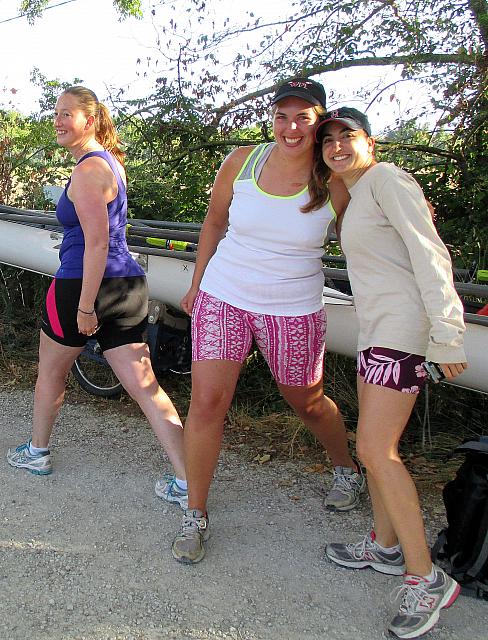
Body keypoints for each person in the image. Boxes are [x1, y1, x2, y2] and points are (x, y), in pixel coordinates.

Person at [171, 78, 365, 565]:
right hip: (225, 295)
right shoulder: (242, 161)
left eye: (303, 117)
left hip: (293, 307)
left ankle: (347, 468)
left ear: (320, 121)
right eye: (282, 115)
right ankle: (195, 513)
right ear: (271, 118)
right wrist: (197, 283)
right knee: (207, 402)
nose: (291, 127)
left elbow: (363, 239)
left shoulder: (333, 179)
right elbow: (214, 222)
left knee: (308, 402)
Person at [315, 107, 467, 639]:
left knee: (378, 451)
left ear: (370, 141)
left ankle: (426, 578)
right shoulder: (357, 194)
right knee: (369, 448)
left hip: (401, 332)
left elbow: (431, 254)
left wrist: (448, 331)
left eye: (346, 135)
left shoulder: (387, 180)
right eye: (327, 139)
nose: (336, 144)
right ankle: (383, 543)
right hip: (376, 330)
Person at [7, 86, 188, 509]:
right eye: (56, 113)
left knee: (50, 374)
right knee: (146, 388)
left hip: (81, 286)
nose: (59, 120)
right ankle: (186, 479)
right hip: (128, 285)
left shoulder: (88, 171)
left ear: (90, 120)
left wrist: (86, 307)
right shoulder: (111, 165)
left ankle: (36, 452)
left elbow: (96, 244)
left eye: (68, 113)